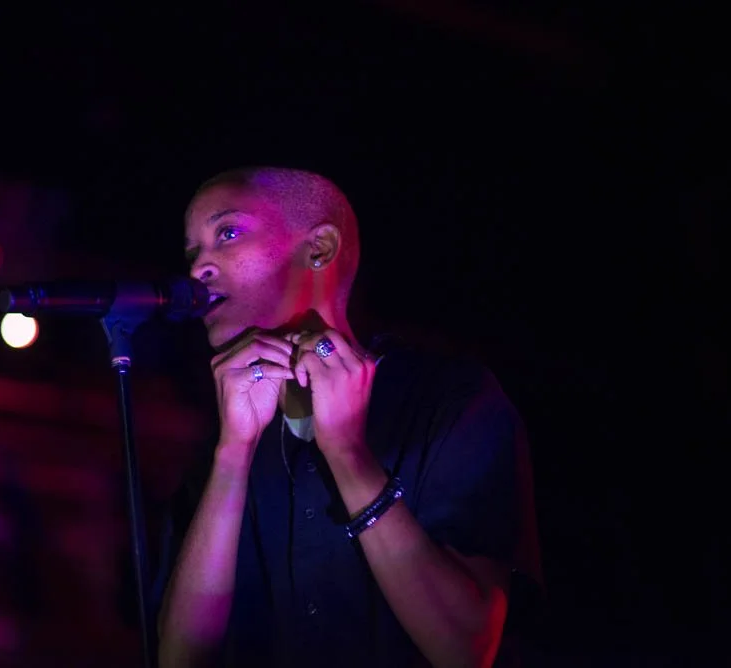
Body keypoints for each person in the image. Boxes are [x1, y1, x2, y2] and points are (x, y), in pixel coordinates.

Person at [152, 166, 542, 668]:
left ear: (320, 249)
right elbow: (180, 658)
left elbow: (467, 649)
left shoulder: (449, 399)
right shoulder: (223, 438)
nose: (199, 268)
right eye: (191, 252)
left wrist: (347, 454)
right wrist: (231, 457)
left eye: (227, 233)